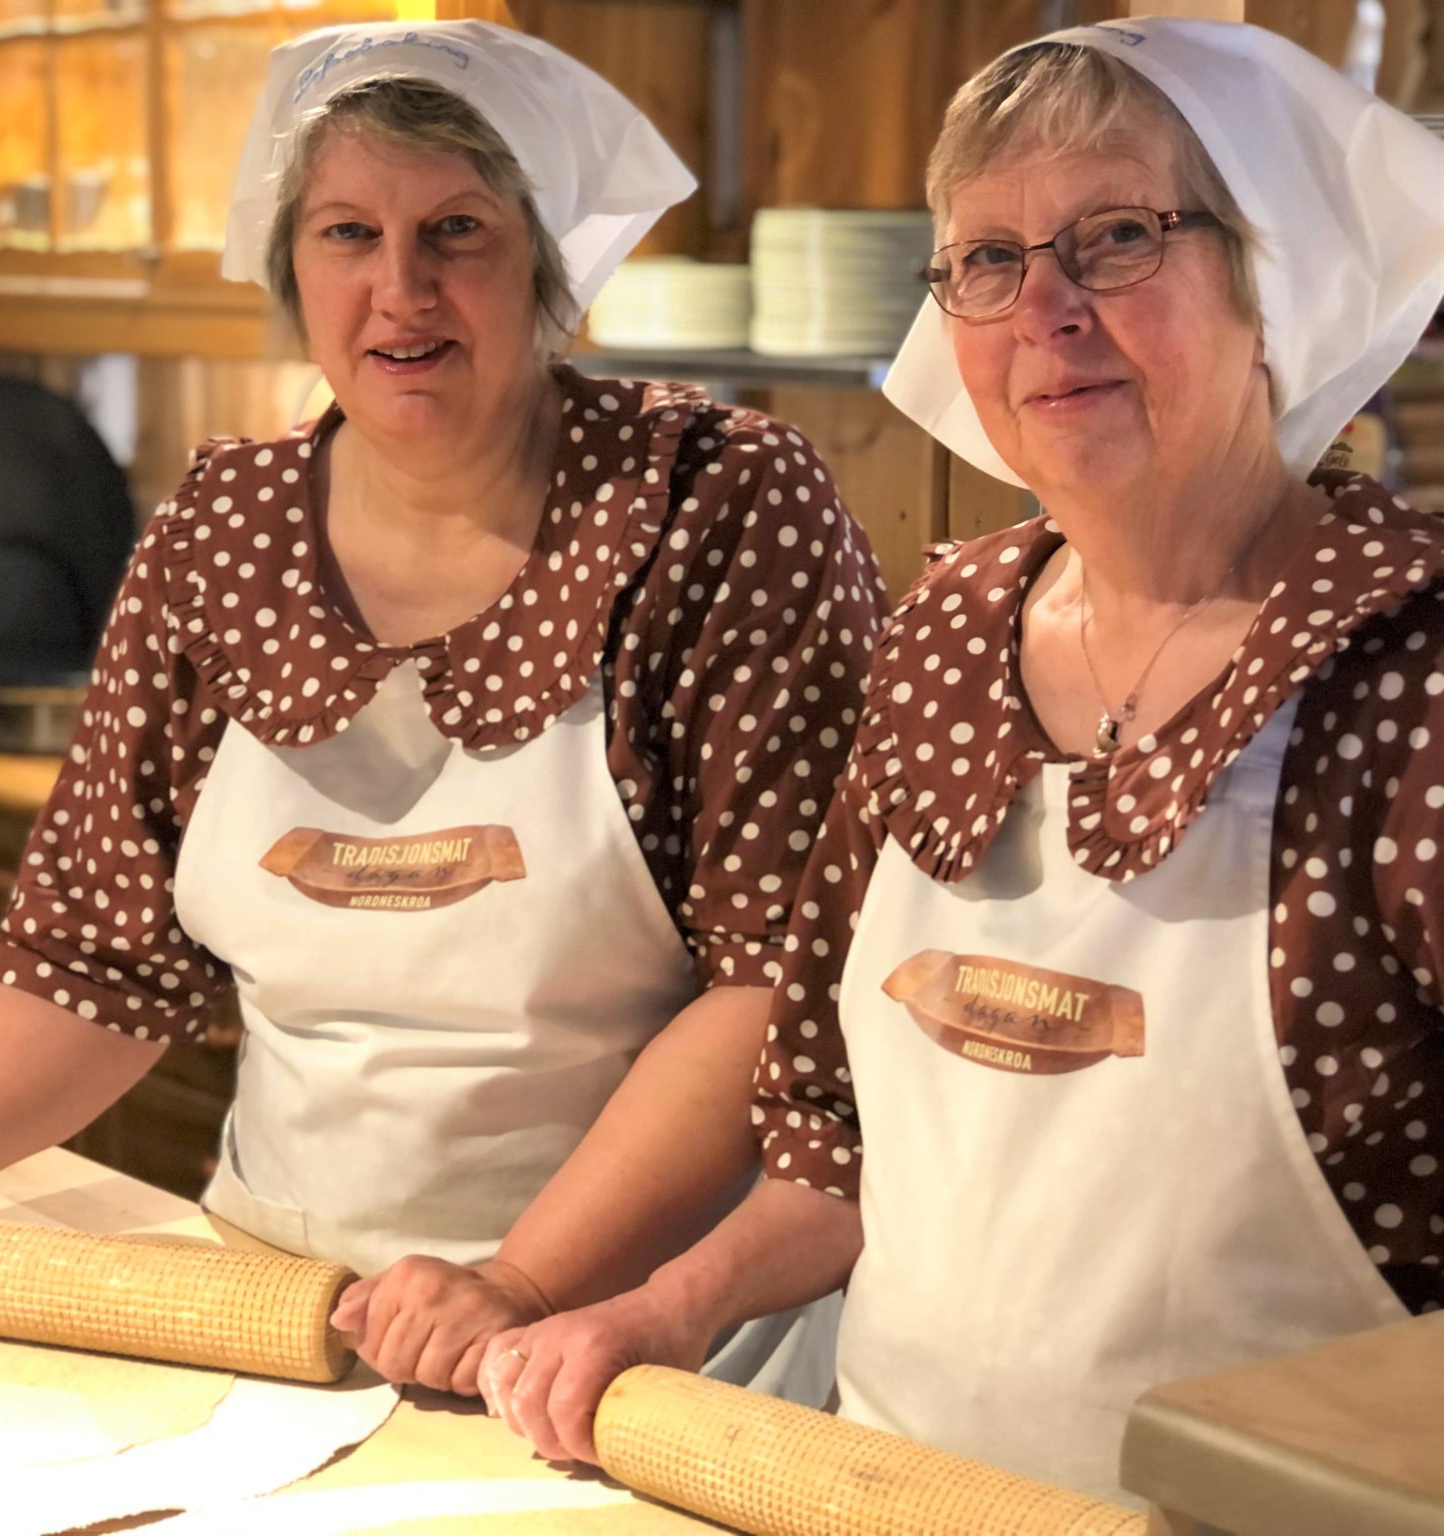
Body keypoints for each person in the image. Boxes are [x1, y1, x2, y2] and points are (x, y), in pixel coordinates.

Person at [0, 20, 883, 1406]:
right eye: (347, 233)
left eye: (459, 231)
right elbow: (89, 971)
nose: (400, 290)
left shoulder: (708, 508)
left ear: (549, 266)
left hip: (633, 1347)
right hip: (277, 1317)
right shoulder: (222, 528)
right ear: (289, 268)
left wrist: (523, 1284)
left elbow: (779, 983)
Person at [481, 17, 1444, 1500]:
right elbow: (834, 1142)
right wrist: (655, 1310)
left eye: (1117, 237)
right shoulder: (946, 633)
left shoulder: (1412, 676)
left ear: (1274, 280)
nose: (1041, 309)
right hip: (874, 1497)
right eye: (987, 261)